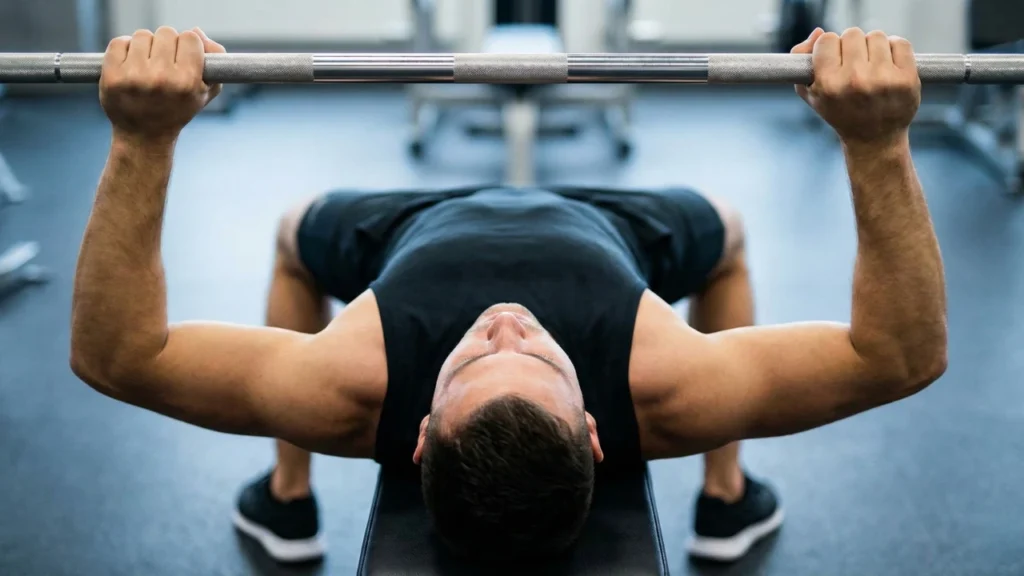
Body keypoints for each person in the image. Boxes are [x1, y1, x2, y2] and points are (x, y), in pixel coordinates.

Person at [69, 25, 947, 565]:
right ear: (597, 427)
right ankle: (728, 493)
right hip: (610, 227)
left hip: (414, 223)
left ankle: (286, 497)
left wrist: (141, 138)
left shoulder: (343, 387)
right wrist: (877, 142)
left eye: (474, 362)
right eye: (536, 360)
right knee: (730, 234)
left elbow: (118, 356)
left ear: (419, 430)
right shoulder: (672, 386)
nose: (506, 325)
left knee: (294, 236)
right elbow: (900, 356)